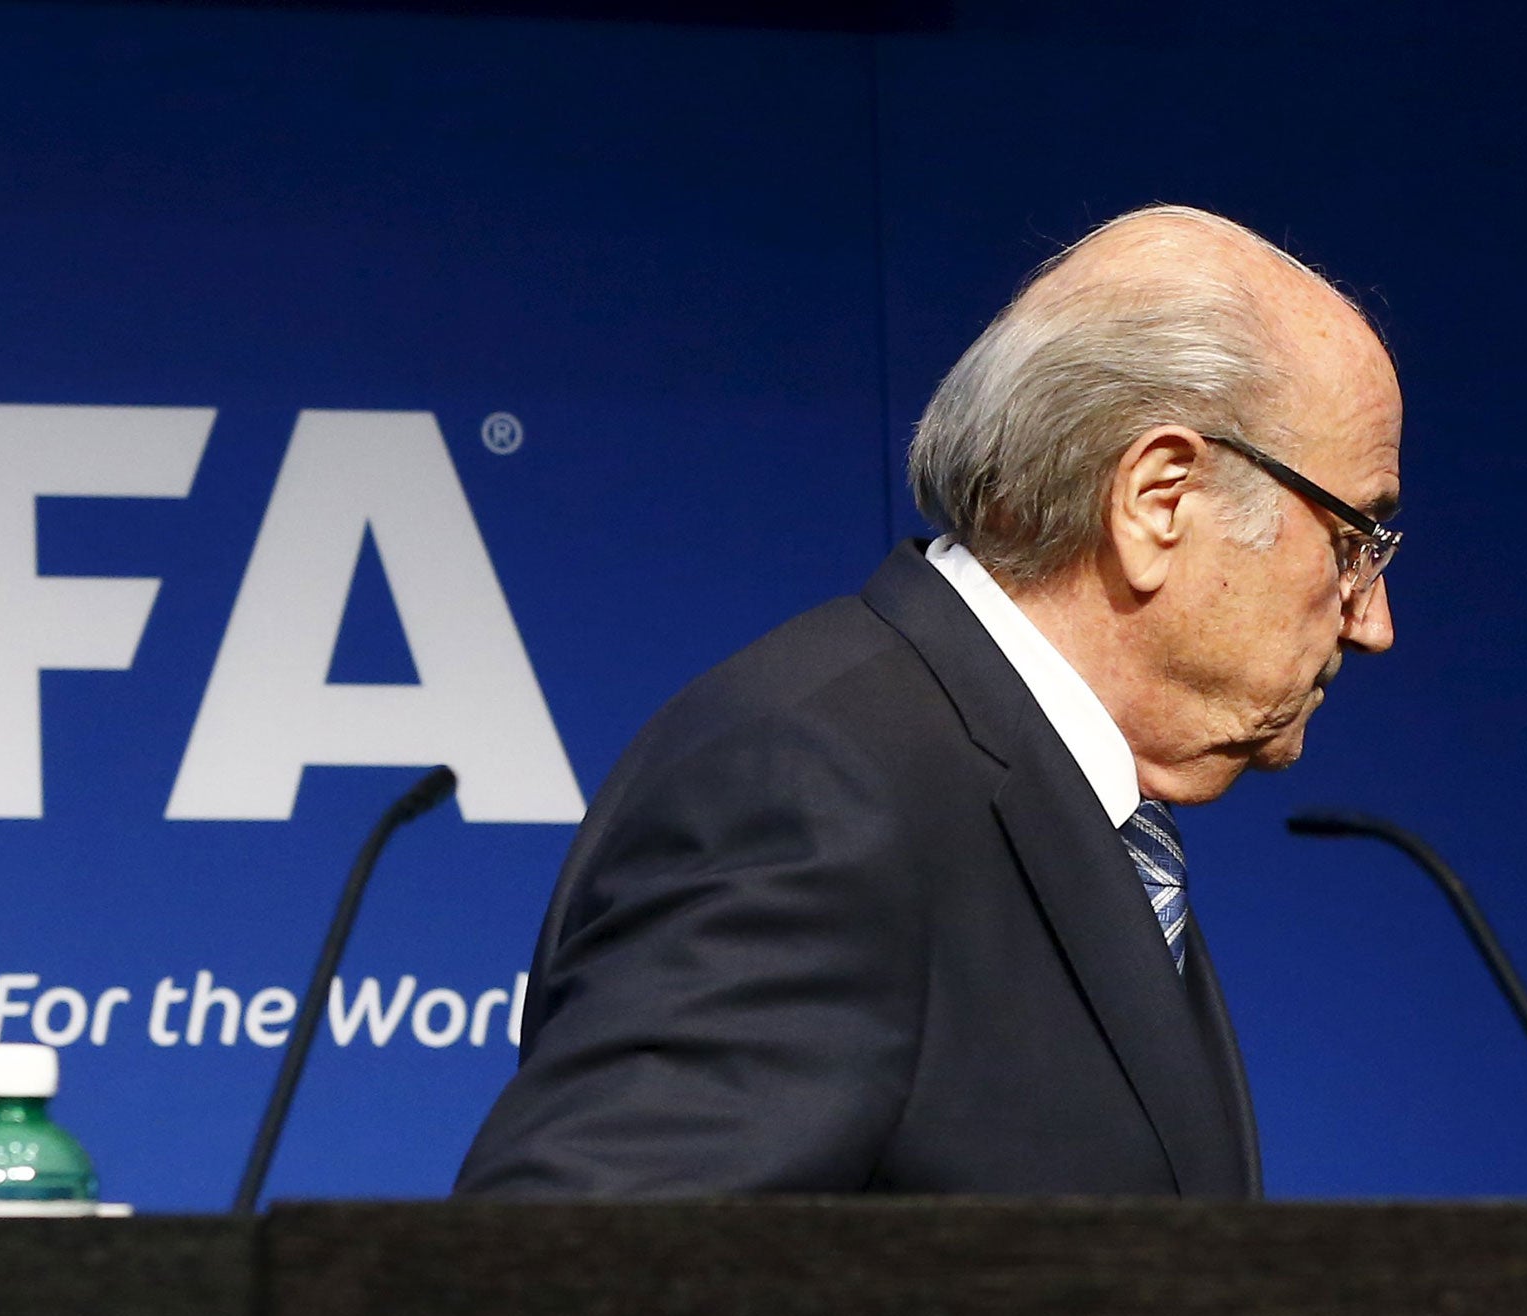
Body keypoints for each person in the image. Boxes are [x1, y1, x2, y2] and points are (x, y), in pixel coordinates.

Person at [454, 205, 1400, 1199]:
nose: (1370, 620)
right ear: (1158, 500)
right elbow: (552, 1295)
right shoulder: (822, 792)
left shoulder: (1058, 805)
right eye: (1355, 539)